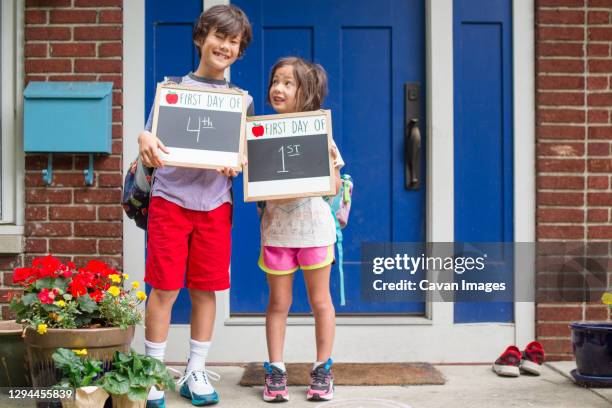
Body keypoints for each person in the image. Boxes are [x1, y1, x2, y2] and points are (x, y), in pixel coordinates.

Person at [137, 5, 253, 407]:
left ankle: (195, 371)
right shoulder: (171, 90)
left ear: (239, 52)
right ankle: (152, 371)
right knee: (165, 287)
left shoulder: (242, 101)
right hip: (171, 202)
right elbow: (151, 141)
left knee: (206, 289)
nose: (225, 46)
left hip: (214, 205)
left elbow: (245, 156)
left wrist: (240, 161)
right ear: (200, 38)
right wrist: (144, 140)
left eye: (233, 42)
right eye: (219, 36)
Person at [259, 57, 344, 403]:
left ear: (305, 92)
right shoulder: (259, 136)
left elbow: (334, 184)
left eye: (287, 83)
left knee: (320, 301)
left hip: (314, 231)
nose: (278, 88)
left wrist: (321, 166)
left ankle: (323, 369)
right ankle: (275, 371)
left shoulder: (320, 134)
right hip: (278, 232)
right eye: (275, 81)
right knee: (278, 303)